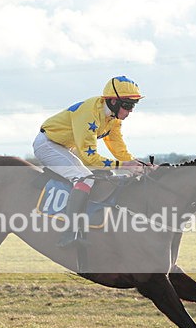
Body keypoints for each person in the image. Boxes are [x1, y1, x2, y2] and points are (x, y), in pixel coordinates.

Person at [33, 76, 147, 247]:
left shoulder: (113, 118)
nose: (130, 111)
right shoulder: (90, 113)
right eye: (128, 105)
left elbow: (117, 146)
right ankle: (69, 233)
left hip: (65, 147)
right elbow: (90, 158)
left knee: (106, 175)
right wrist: (124, 166)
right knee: (85, 177)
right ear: (114, 102)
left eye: (133, 106)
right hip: (48, 144)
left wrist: (136, 164)